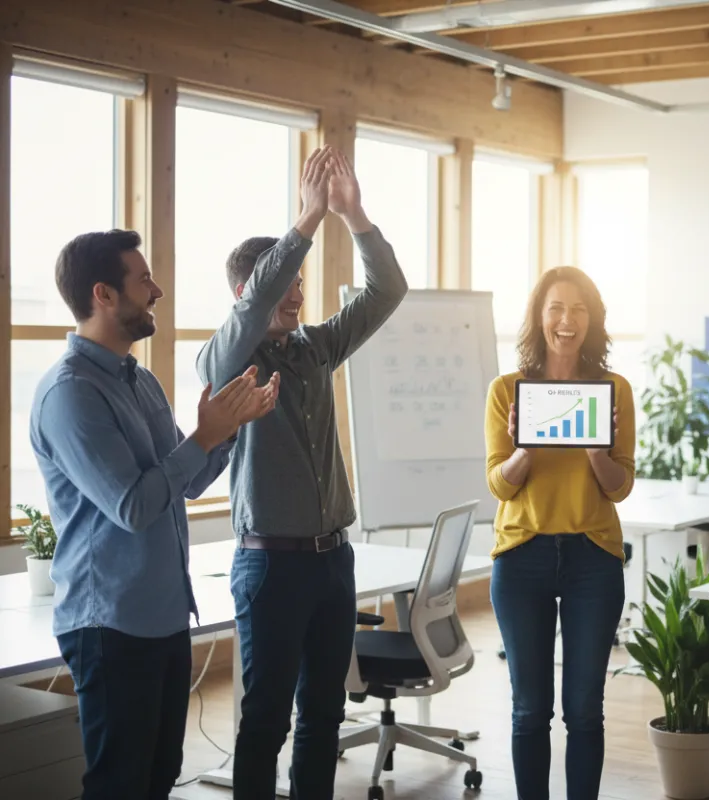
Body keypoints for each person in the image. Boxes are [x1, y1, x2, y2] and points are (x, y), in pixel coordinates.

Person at [30, 229, 277, 800]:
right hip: (110, 624)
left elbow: (185, 483)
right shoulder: (70, 393)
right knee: (121, 784)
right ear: (104, 294)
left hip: (163, 617)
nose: (158, 290)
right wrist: (205, 435)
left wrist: (228, 431)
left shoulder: (140, 381)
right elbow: (133, 506)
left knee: (160, 775)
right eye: (143, 280)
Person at [197, 144, 408, 798]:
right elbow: (256, 303)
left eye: (298, 281)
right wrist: (308, 217)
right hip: (270, 567)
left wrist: (353, 215)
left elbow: (388, 291)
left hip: (332, 562)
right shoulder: (226, 358)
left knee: (323, 713)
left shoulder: (316, 347)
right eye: (284, 282)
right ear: (247, 292)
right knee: (266, 719)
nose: (297, 292)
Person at [484, 266, 635, 800]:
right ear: (538, 317)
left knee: (584, 710)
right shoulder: (507, 391)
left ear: (592, 320)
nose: (567, 320)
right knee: (529, 710)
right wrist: (525, 447)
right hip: (521, 555)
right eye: (556, 308)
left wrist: (596, 449)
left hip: (593, 557)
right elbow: (500, 485)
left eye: (578, 309)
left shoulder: (614, 390)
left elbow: (620, 487)